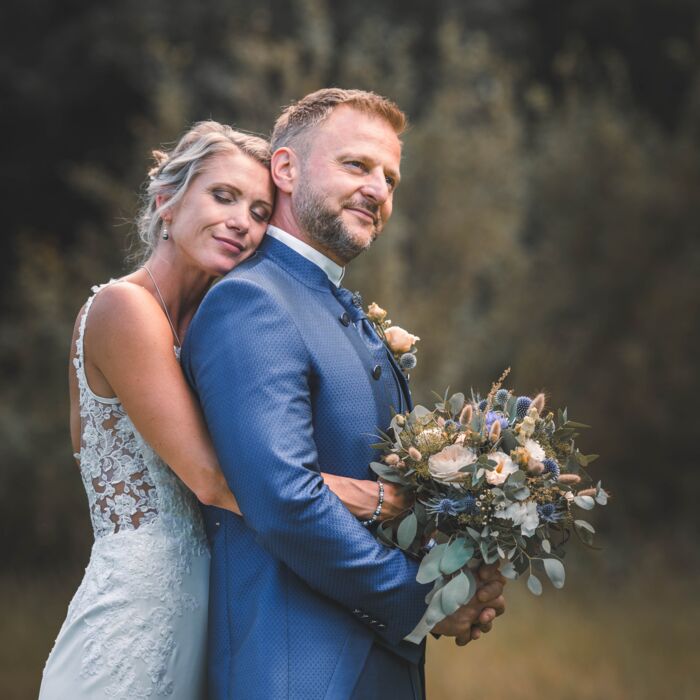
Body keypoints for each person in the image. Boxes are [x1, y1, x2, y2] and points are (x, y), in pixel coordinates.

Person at [39, 120, 420, 699]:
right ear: (166, 202)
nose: (242, 222)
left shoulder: (202, 321)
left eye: (261, 211)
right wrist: (375, 497)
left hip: (208, 603)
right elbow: (215, 479)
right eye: (223, 197)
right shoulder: (126, 309)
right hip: (140, 608)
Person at [182, 89, 506, 700]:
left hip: (374, 666)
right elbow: (285, 499)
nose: (379, 189)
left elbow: (381, 483)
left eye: (390, 178)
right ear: (286, 168)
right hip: (298, 668)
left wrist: (459, 568)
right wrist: (426, 601)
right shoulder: (252, 301)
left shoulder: (332, 302)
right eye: (356, 165)